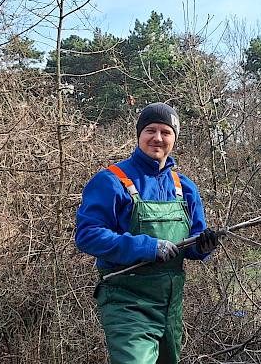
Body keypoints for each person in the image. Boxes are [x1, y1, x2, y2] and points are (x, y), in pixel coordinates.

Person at [75, 102, 219, 364]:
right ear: (139, 134)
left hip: (170, 305)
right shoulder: (111, 181)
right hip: (127, 302)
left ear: (174, 139)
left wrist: (203, 247)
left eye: (166, 132)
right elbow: (88, 234)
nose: (157, 138)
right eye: (150, 130)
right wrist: (147, 247)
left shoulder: (184, 187)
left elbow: (193, 243)